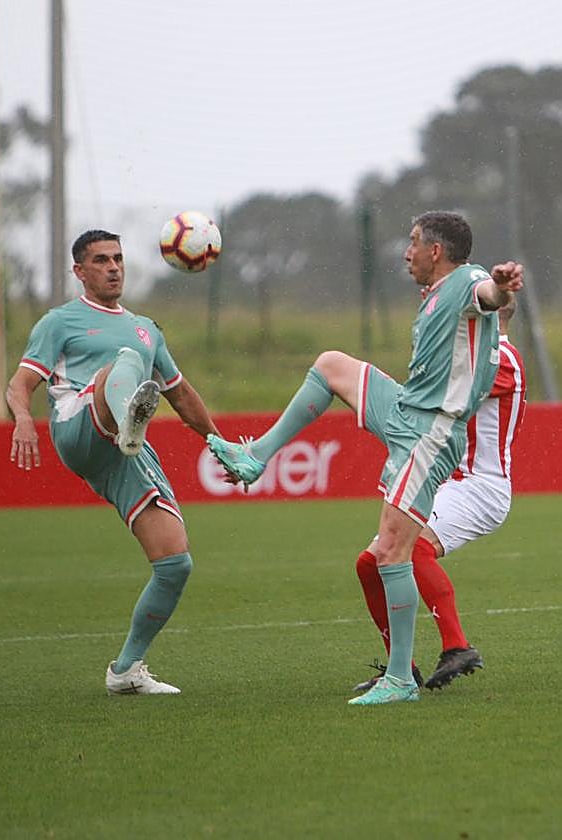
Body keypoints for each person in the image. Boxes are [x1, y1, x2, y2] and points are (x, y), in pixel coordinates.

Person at [208, 210, 523, 706]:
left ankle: (401, 679)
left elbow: (490, 296)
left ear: (436, 251)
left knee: (392, 553)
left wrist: (501, 288)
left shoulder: (468, 280)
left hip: (431, 433)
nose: (406, 251)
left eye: (414, 242)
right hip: (406, 411)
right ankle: (256, 457)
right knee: (331, 364)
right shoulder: (437, 295)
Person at [6, 229, 222, 696]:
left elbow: (181, 393)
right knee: (120, 366)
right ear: (79, 271)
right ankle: (127, 416)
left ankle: (126, 669)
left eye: (118, 259)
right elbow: (20, 383)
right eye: (101, 260)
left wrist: (219, 444)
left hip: (124, 452)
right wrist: (23, 419)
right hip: (78, 426)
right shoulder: (59, 322)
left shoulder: (147, 327)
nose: (113, 267)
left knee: (175, 563)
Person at [353, 298, 527, 693]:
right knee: (370, 564)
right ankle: (403, 668)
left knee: (412, 550)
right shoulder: (478, 356)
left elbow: (438, 395)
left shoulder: (501, 358)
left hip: (480, 487)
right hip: (450, 483)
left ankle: (457, 646)